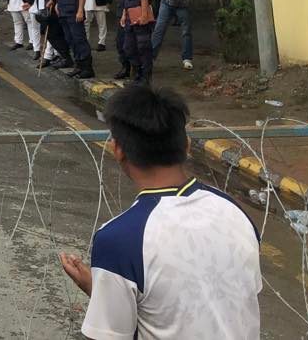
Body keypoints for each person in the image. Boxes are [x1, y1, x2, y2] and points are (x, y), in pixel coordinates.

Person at [59, 86, 260, 339]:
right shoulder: (233, 211)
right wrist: (101, 291)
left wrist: (101, 292)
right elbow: (220, 304)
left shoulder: (120, 239)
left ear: (118, 149)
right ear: (186, 145)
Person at [114, 0, 155, 84]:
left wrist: (144, 15)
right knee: (128, 47)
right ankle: (137, 74)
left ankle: (145, 78)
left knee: (143, 47)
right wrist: (124, 14)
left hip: (139, 13)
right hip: (129, 14)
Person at [50, 0, 94, 79]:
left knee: (79, 40)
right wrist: (54, 2)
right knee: (70, 40)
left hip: (74, 13)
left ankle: (87, 68)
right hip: (63, 12)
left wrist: (80, 10)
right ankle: (78, 65)